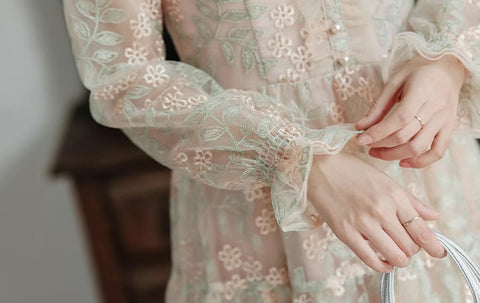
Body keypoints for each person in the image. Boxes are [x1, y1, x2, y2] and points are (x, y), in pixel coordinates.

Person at [62, 0, 480, 301]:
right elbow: (126, 77)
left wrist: (445, 61)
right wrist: (300, 158)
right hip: (261, 209)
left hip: (435, 176)